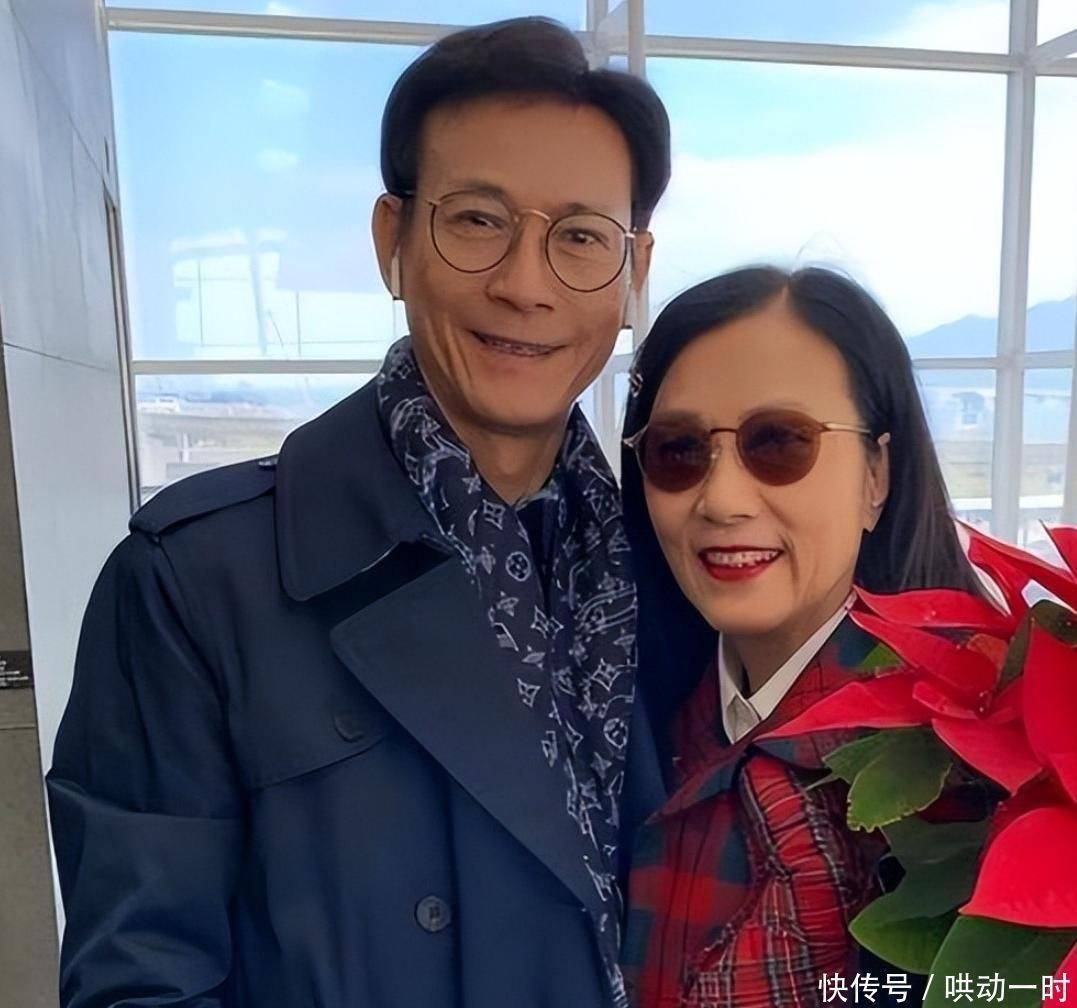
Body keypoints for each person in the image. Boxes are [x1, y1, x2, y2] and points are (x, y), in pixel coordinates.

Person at [47, 18, 670, 1008]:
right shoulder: (198, 582)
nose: (525, 285)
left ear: (633, 273)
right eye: (477, 221)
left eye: (582, 237)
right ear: (393, 242)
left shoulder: (665, 568)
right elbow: (143, 979)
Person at [617, 266, 987, 1007]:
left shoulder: (975, 770)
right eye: (678, 451)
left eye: (780, 442)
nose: (721, 500)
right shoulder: (615, 724)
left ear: (876, 475)